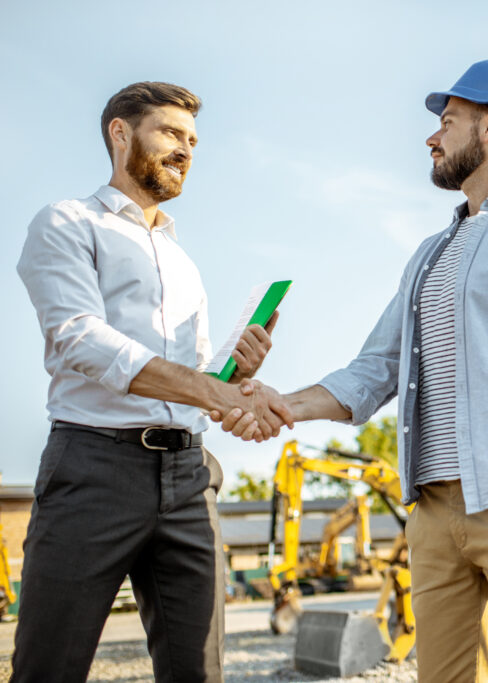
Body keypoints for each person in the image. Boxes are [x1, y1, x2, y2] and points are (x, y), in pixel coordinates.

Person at [219, 59, 488, 682]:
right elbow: (374, 369)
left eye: (447, 122)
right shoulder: (430, 256)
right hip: (434, 513)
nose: (432, 137)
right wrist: (281, 403)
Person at [14, 81, 293, 682]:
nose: (186, 149)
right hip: (93, 469)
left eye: (192, 140)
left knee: (199, 672)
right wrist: (207, 389)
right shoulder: (66, 222)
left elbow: (198, 385)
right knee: (48, 667)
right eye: (171, 133)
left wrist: (235, 377)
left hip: (190, 480)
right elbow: (80, 338)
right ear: (121, 133)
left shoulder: (182, 260)